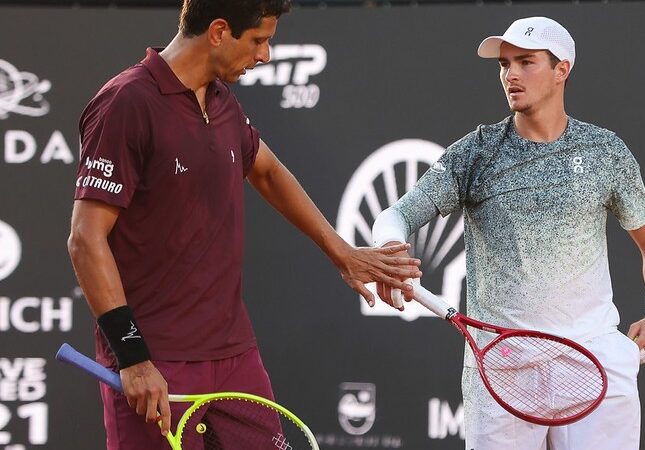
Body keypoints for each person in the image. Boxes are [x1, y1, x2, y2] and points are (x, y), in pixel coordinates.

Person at [67, 1, 422, 448]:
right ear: (218, 32)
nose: (265, 55)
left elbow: (268, 171)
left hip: (234, 355)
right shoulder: (126, 102)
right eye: (258, 40)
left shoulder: (221, 101)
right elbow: (85, 239)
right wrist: (133, 357)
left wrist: (343, 252)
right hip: (156, 364)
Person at [371, 16, 645, 450]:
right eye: (504, 64)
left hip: (593, 361)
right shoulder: (474, 153)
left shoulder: (605, 151)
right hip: (502, 367)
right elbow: (396, 216)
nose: (510, 74)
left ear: (561, 70)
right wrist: (389, 251)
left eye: (526, 62)